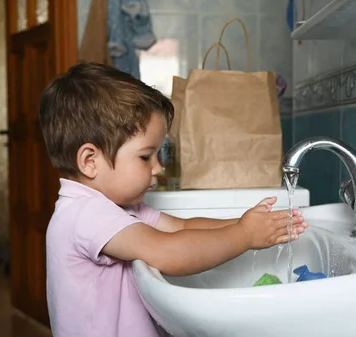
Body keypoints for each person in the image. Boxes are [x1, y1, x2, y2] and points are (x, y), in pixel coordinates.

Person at [38, 62, 308, 337]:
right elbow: (168, 253)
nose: (158, 168)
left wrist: (244, 223)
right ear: (89, 161)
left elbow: (182, 227)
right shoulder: (85, 213)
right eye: (145, 156)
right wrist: (244, 235)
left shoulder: (118, 208)